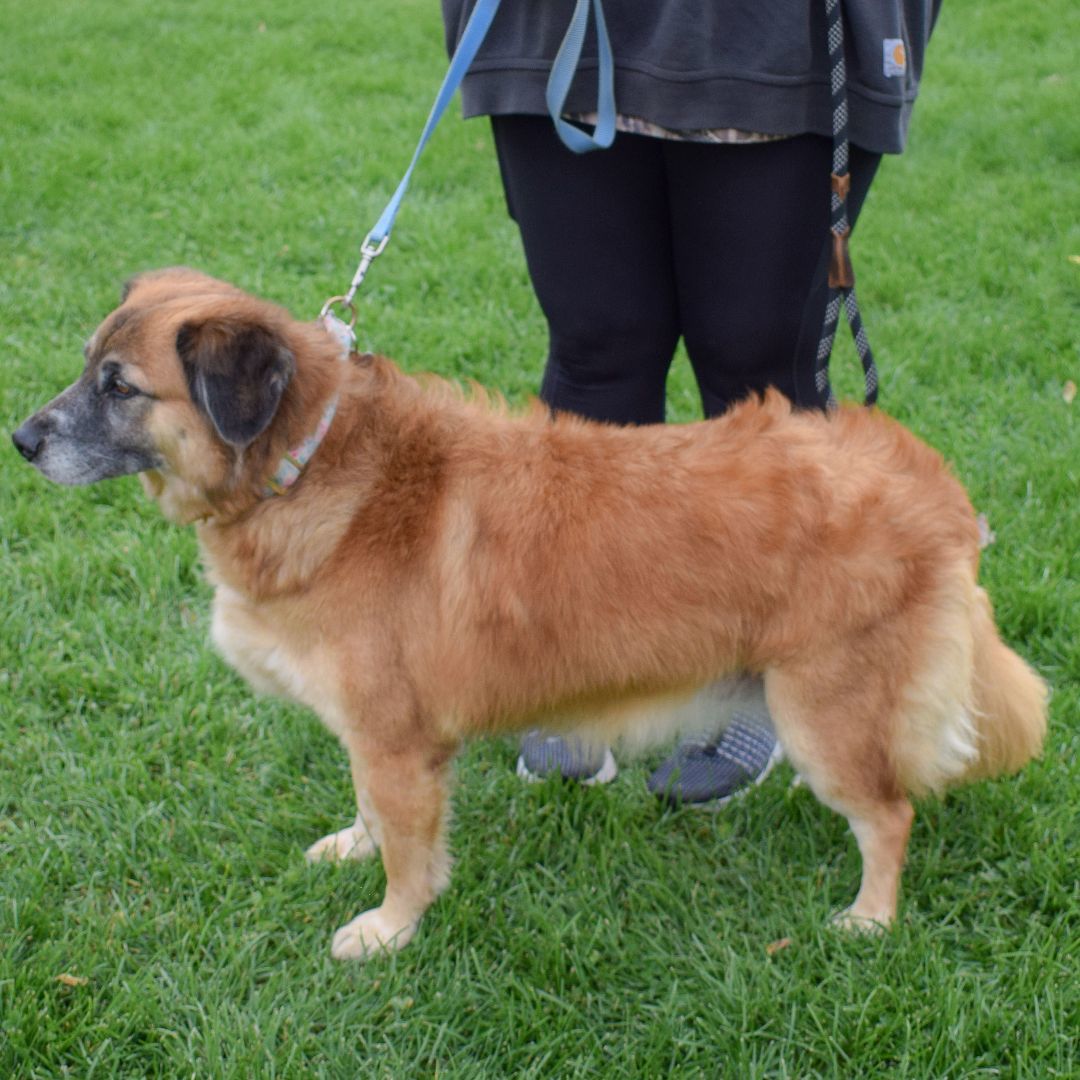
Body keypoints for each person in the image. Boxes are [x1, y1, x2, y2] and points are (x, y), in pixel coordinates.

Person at [441, 0, 942, 805]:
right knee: (598, 352)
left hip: (778, 40)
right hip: (555, 30)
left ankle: (762, 676)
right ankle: (578, 666)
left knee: (757, 369)